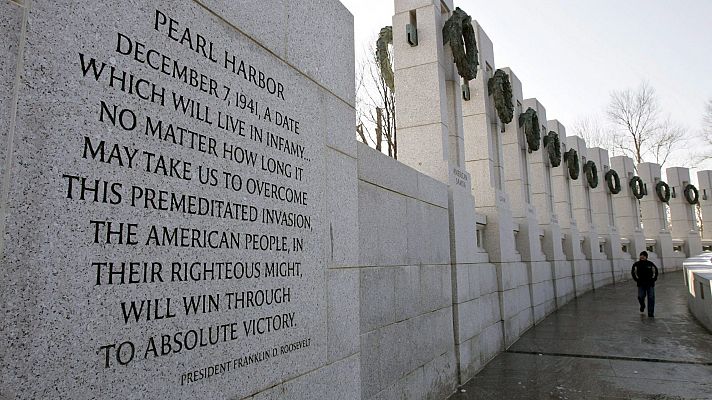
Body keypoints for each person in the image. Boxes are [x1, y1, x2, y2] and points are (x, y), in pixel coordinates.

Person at [631, 251, 659, 317]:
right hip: (641, 284)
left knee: (651, 298)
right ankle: (642, 305)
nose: (642, 256)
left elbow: (655, 271)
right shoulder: (636, 264)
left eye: (644, 255)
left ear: (646, 257)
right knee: (640, 296)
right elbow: (633, 273)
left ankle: (650, 313)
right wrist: (637, 280)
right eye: (641, 255)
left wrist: (653, 279)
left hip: (650, 284)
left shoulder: (650, 264)